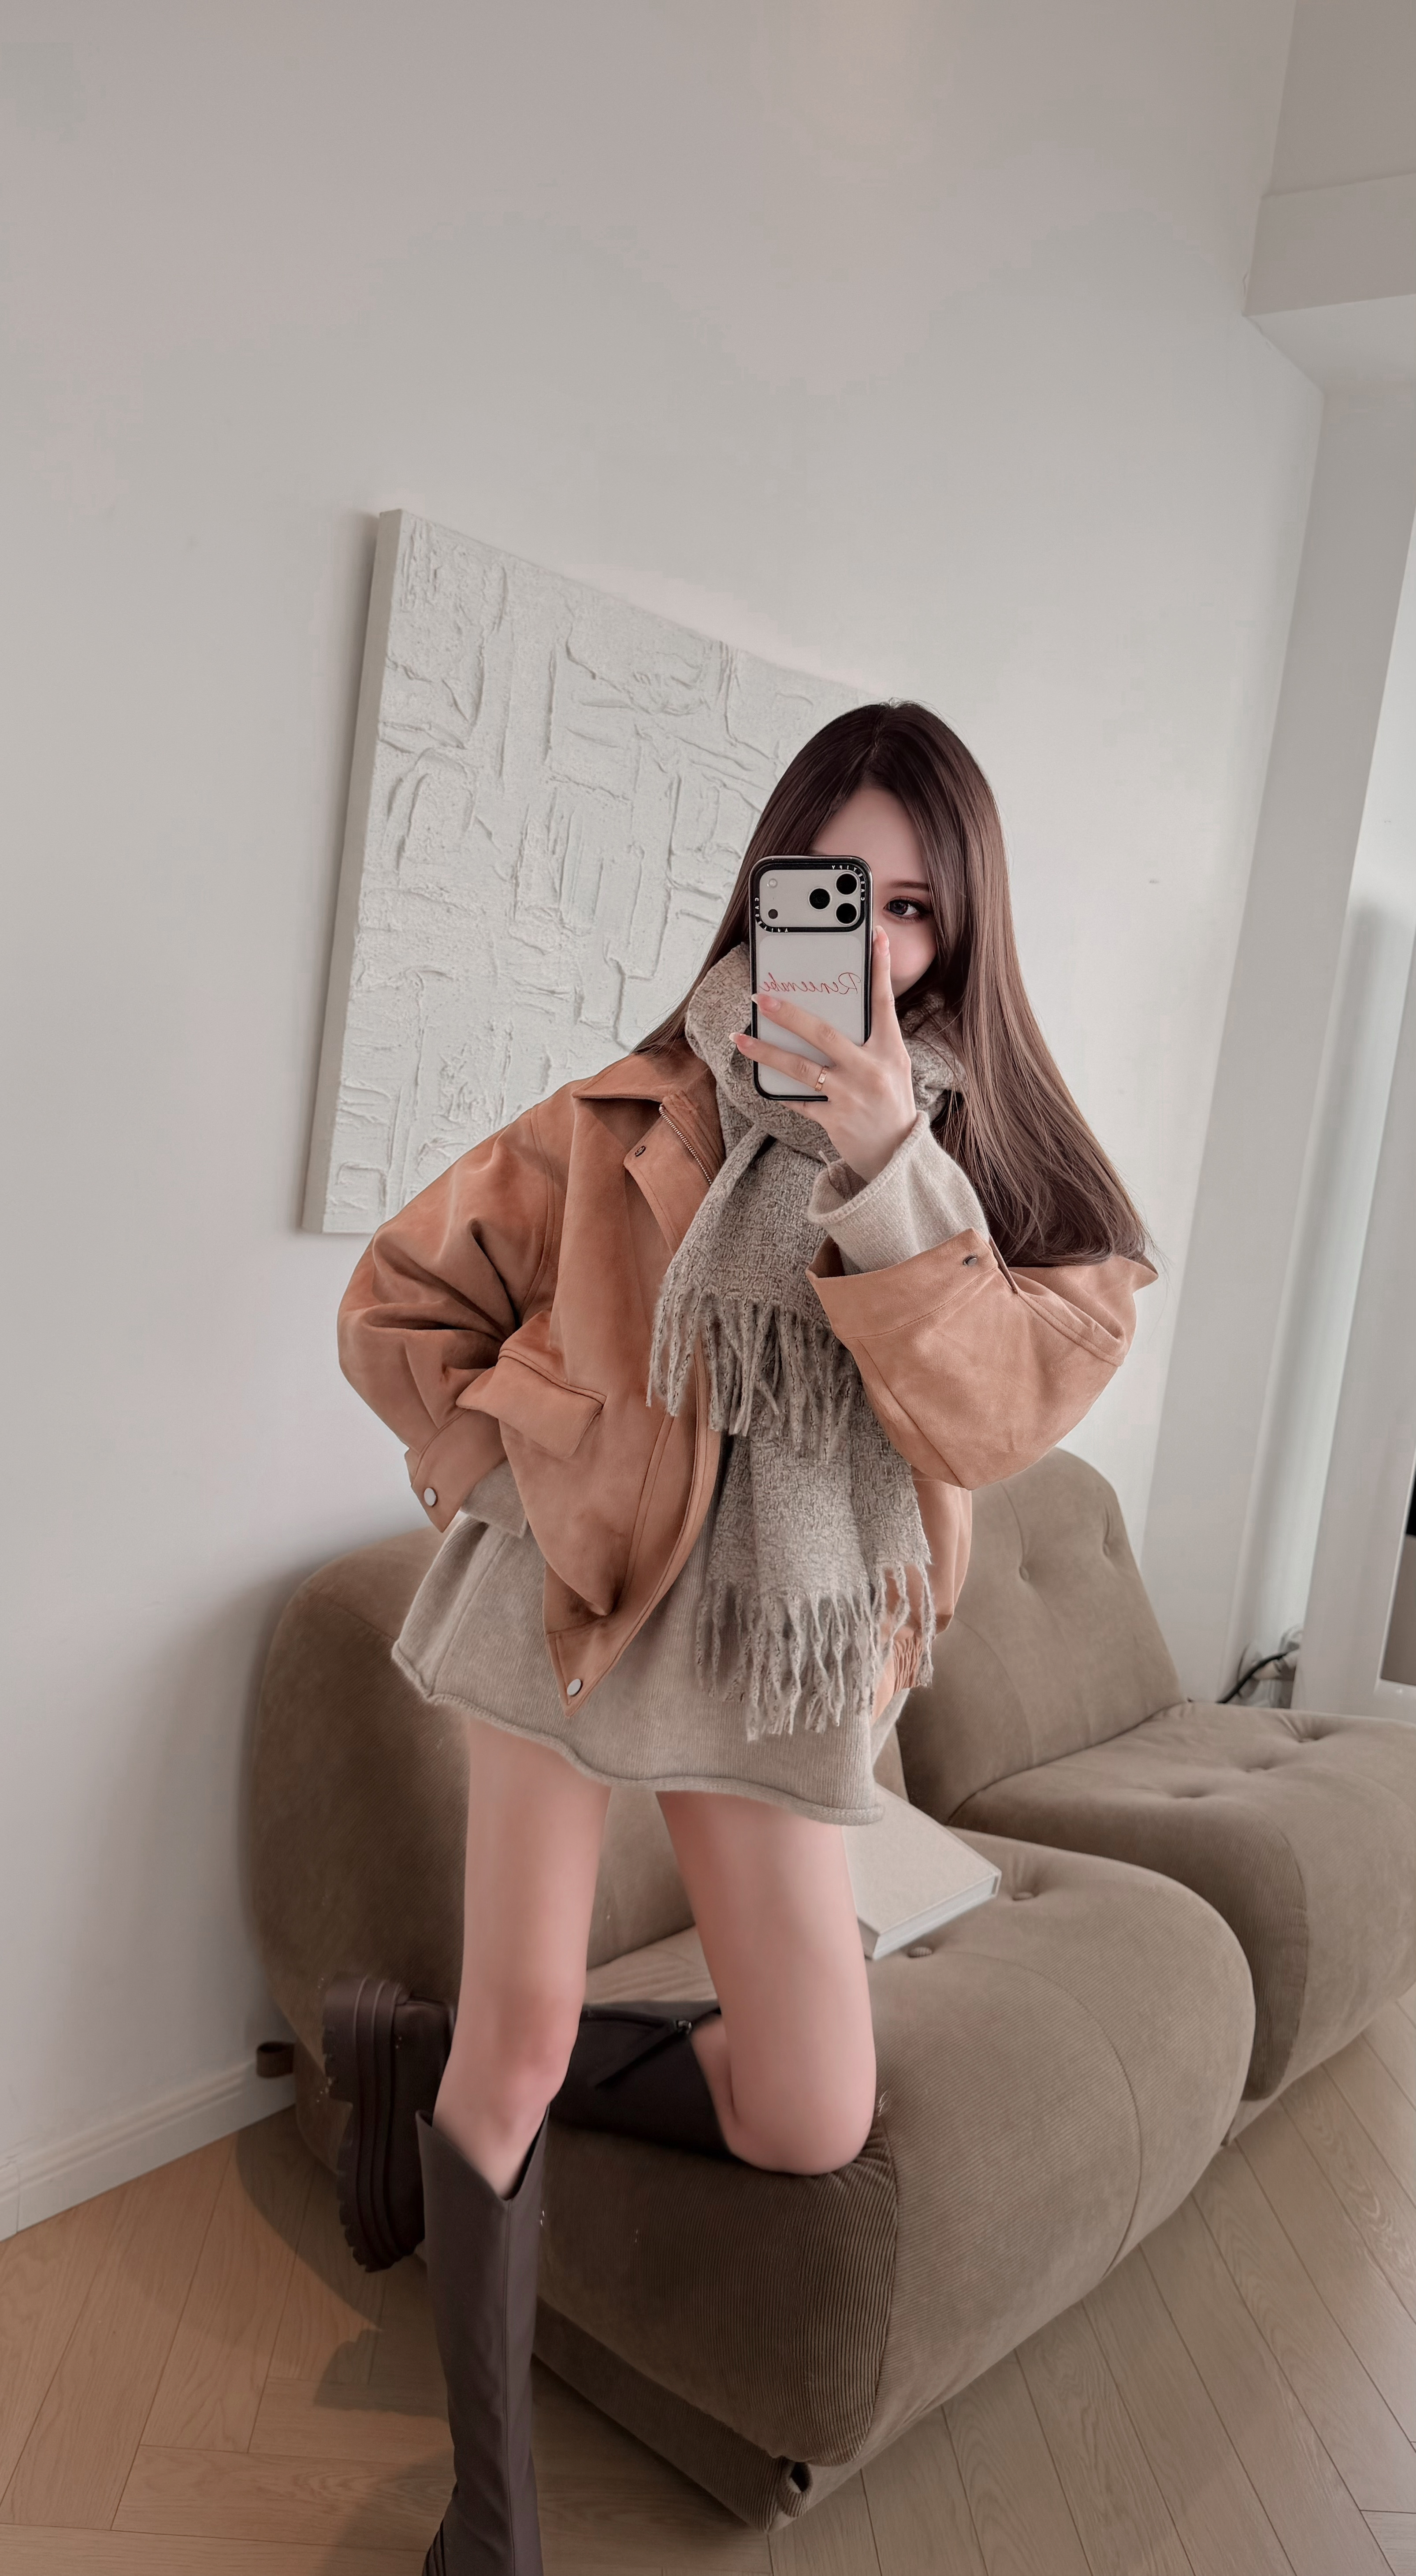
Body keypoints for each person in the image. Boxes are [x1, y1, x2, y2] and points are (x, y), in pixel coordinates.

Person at [329, 700, 1154, 2576]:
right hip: (571, 1602)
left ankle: (418, 2060)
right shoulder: (631, 1112)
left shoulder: (1005, 1178)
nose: (871, 944)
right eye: (834, 891)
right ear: (771, 891)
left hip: (778, 1647)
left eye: (914, 909)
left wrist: (890, 1167)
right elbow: (399, 1300)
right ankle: (486, 2529)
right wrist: (521, 1467)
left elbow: (989, 1419)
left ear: (963, 932)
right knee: (526, 2038)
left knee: (808, 2110)